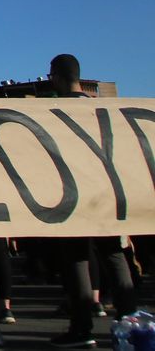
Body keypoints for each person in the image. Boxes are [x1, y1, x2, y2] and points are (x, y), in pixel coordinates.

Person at [47, 54, 136, 349]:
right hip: (106, 194)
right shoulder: (100, 108)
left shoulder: (52, 111)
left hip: (73, 195)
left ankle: (82, 328)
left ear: (57, 77)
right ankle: (130, 323)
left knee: (76, 260)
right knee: (114, 256)